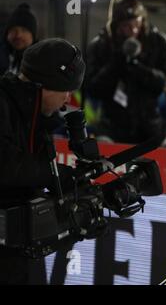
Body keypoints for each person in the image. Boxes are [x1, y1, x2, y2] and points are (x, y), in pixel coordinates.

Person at [0, 38, 85, 284]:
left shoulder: (35, 116)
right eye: (66, 90)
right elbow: (5, 164)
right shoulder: (5, 104)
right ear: (45, 85)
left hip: (20, 251)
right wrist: (53, 175)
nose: (68, 100)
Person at [85, 0, 166, 144]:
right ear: (116, 25)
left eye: (136, 24)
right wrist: (117, 62)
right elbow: (93, 88)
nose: (133, 30)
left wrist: (137, 67)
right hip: (112, 126)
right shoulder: (100, 45)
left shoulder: (158, 42)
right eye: (126, 26)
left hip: (150, 126)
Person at [0, 3, 37, 75]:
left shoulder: (42, 62)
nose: (18, 35)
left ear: (32, 35)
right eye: (13, 30)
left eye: (24, 30)